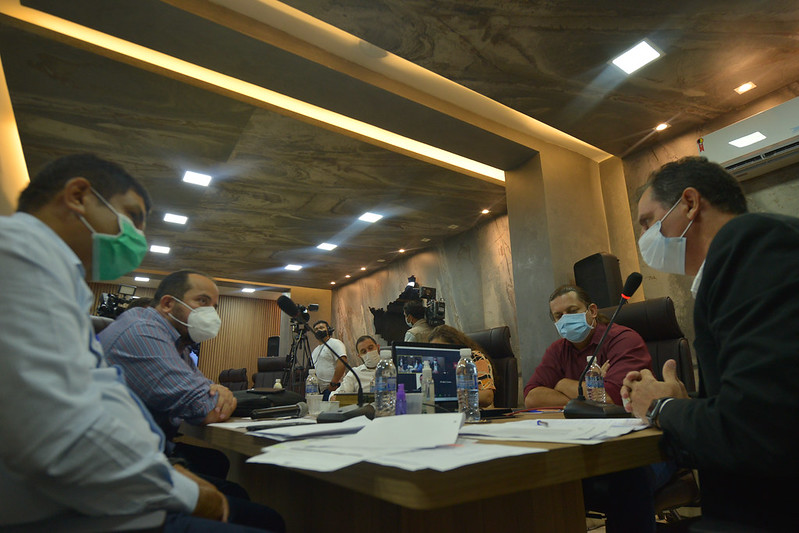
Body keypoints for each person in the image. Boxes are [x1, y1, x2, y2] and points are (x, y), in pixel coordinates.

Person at [0, 154, 274, 531]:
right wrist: (183, 489)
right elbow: (59, 435)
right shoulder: (19, 258)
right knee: (263, 518)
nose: (138, 238)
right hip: (67, 508)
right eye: (131, 216)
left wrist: (167, 468)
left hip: (91, 490)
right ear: (78, 196)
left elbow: (98, 399)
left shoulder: (58, 276)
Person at [622, 156, 799, 531]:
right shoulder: (732, 263)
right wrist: (685, 403)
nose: (644, 238)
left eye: (648, 222)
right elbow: (758, 404)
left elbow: (754, 432)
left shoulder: (751, 246)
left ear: (689, 203)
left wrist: (660, 406)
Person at [98, 270, 235, 479]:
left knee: (215, 461)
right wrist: (215, 394)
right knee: (244, 500)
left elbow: (203, 388)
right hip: (115, 460)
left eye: (213, 307)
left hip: (142, 448)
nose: (211, 314)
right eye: (202, 301)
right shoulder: (143, 332)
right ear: (168, 304)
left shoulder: (177, 343)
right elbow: (204, 408)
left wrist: (213, 391)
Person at [523, 284, 652, 408]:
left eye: (572, 311)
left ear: (592, 311)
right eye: (559, 316)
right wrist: (587, 397)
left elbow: (612, 398)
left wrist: (562, 384)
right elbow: (531, 398)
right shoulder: (557, 349)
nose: (566, 319)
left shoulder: (624, 340)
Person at [428, 324, 496, 408]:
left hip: (475, 412)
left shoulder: (473, 358)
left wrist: (457, 396)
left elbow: (487, 397)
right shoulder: (437, 366)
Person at [330, 335, 381, 399]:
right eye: (363, 351)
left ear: (378, 347)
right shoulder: (354, 374)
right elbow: (337, 394)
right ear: (359, 356)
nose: (368, 352)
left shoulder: (390, 367)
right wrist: (333, 397)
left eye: (371, 348)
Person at [310, 320, 348, 395]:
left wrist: (333, 383)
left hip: (334, 388)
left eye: (321, 328)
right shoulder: (314, 351)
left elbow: (342, 362)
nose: (318, 330)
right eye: (316, 329)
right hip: (320, 391)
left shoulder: (335, 343)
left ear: (329, 330)